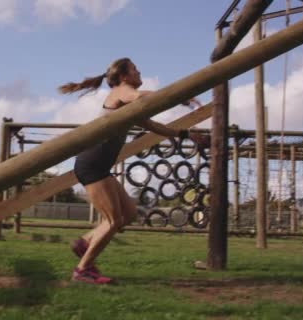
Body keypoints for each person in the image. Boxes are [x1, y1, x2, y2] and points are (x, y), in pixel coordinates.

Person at [58, 57, 208, 284]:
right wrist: (182, 97)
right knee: (113, 220)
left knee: (128, 214)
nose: (139, 73)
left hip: (99, 165)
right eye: (135, 70)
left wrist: (185, 135)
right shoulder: (122, 91)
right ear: (124, 76)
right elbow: (142, 96)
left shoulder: (129, 105)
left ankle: (84, 243)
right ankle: (82, 270)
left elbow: (154, 126)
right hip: (92, 163)